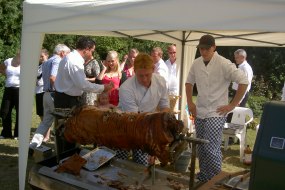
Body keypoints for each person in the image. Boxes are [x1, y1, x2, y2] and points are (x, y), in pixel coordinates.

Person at [185, 34, 249, 182]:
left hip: (217, 112)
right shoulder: (196, 63)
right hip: (200, 111)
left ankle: (216, 180)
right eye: (201, 48)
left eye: (207, 48)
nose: (204, 51)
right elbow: (189, 83)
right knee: (201, 148)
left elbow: (243, 81)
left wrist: (232, 104)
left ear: (214, 47)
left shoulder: (224, 63)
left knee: (211, 148)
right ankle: (204, 178)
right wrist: (190, 103)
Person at [118, 53, 170, 166]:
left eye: (147, 75)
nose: (145, 79)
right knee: (119, 163)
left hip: (147, 125)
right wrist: (151, 144)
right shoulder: (126, 88)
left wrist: (156, 137)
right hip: (126, 125)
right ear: (134, 71)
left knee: (143, 165)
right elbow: (136, 118)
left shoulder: (161, 82)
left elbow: (165, 107)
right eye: (141, 76)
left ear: (153, 69)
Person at [29, 44, 70, 149]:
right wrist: (60, 91)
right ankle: (61, 148)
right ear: (62, 53)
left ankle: (33, 145)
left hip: (46, 94)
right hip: (53, 94)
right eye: (67, 53)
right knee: (61, 122)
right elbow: (53, 77)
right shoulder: (57, 60)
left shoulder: (47, 61)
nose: (68, 56)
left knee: (45, 122)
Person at [0, 52, 20, 139]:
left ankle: (18, 134)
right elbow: (1, 69)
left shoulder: (26, 63)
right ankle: (6, 133)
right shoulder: (8, 61)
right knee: (5, 111)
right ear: (18, 53)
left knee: (20, 112)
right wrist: (7, 75)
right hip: (8, 88)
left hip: (20, 89)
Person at [36, 49, 49, 121]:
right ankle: (44, 129)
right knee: (40, 113)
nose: (40, 58)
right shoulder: (38, 66)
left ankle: (47, 131)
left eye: (42, 56)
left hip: (45, 90)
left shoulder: (50, 65)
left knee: (46, 112)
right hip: (38, 90)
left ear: (47, 55)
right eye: (39, 57)